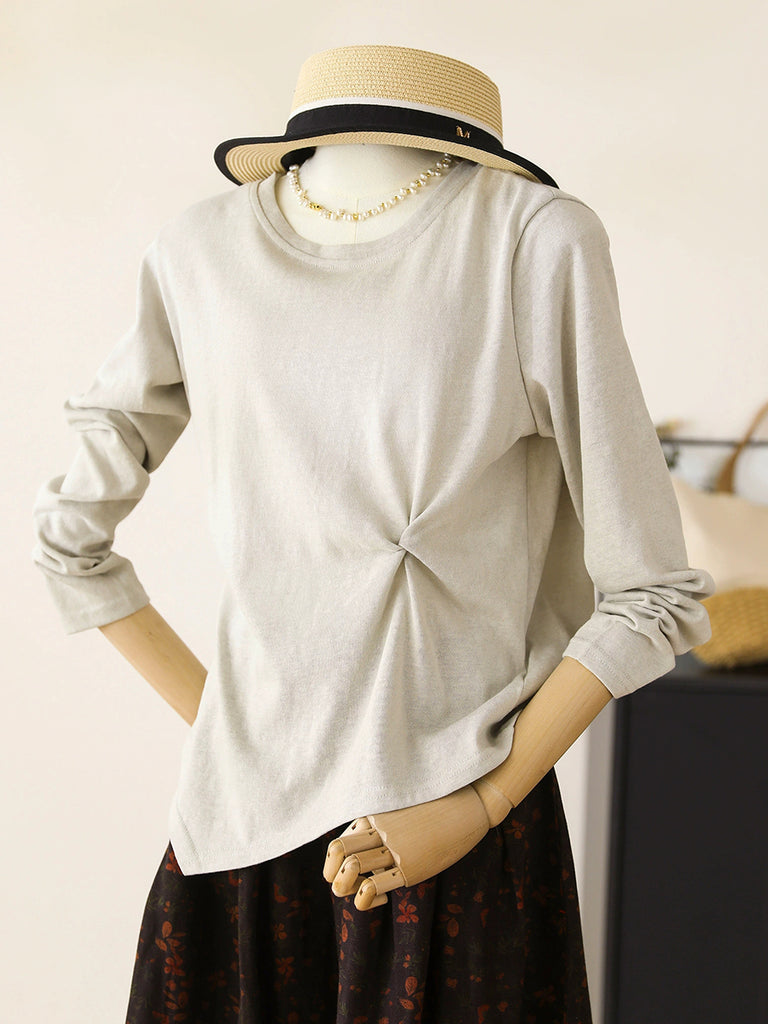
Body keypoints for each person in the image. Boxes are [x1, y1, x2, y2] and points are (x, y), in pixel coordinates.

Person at [31, 43, 715, 1023]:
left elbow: (650, 591)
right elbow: (70, 544)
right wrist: (246, 736)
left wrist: (479, 803)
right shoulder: (200, 251)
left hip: (449, 840)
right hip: (236, 842)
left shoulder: (532, 240)